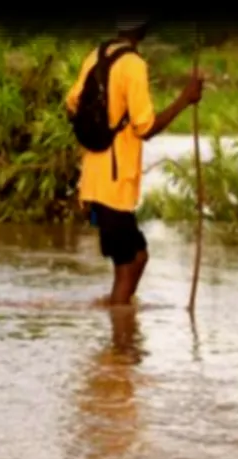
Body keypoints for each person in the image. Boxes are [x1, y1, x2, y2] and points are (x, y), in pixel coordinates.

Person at [65, 17, 203, 307]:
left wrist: (101, 129)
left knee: (132, 258)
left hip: (93, 177)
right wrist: (184, 99)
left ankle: (119, 328)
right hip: (115, 183)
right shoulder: (133, 65)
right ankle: (120, 337)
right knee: (133, 259)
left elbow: (72, 103)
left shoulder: (97, 54)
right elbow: (146, 127)